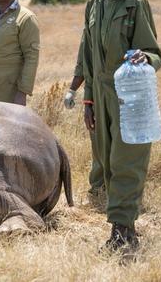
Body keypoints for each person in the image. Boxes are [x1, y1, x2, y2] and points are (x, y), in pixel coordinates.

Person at [81, 0, 161, 253]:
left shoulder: (136, 4)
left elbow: (155, 53)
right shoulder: (94, 3)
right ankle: (117, 217)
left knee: (127, 159)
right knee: (105, 158)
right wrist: (87, 101)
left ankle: (123, 231)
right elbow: (87, 54)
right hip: (100, 92)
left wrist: (146, 58)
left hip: (129, 93)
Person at [64, 39, 104, 208]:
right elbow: (83, 65)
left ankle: (121, 191)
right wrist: (72, 91)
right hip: (95, 94)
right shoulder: (91, 22)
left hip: (121, 94)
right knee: (98, 145)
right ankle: (98, 191)